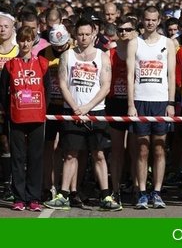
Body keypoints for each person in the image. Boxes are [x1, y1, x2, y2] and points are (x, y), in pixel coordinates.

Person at [44, 18, 121, 211]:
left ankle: (106, 196)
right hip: (72, 112)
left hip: (95, 112)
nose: (84, 38)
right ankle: (63, 195)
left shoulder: (102, 56)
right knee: (70, 154)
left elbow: (105, 86)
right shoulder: (67, 56)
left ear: (94, 35)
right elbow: (62, 84)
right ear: (74, 36)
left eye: (87, 34)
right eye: (80, 34)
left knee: (99, 154)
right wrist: (75, 107)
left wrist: (87, 107)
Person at [127, 6, 176, 209]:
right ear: (142, 20)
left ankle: (156, 191)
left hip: (161, 101)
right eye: (147, 19)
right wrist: (131, 104)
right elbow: (130, 76)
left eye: (154, 20)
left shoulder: (168, 43)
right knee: (142, 149)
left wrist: (171, 103)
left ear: (159, 21)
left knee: (159, 148)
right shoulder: (134, 43)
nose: (150, 23)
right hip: (140, 101)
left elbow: (171, 75)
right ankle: (142, 192)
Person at [0, 26, 51, 211]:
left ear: (33, 41)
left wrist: (43, 109)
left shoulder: (43, 63)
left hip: (37, 117)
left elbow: (48, 90)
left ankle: (34, 198)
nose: (25, 43)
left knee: (36, 158)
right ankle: (19, 198)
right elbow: (3, 92)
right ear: (18, 41)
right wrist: (9, 110)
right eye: (22, 40)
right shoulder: (10, 65)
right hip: (16, 117)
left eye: (28, 40)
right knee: (18, 159)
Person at [39, 24, 71, 202]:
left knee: (68, 149)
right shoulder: (43, 54)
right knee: (48, 147)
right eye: (56, 45)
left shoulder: (74, 51)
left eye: (62, 45)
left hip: (69, 106)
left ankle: (69, 189)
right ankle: (47, 186)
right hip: (49, 106)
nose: (59, 48)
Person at [107, 16, 137, 205]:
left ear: (135, 31)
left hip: (135, 103)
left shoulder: (141, 50)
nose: (124, 33)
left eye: (127, 29)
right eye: (120, 30)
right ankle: (115, 189)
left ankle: (136, 188)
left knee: (135, 150)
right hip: (115, 103)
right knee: (117, 149)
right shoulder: (109, 53)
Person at [0, 12, 19, 201]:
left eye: (6, 26)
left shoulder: (18, 50)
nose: (2, 29)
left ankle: (10, 182)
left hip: (12, 104)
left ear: (13, 28)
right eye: (0, 26)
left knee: (8, 142)